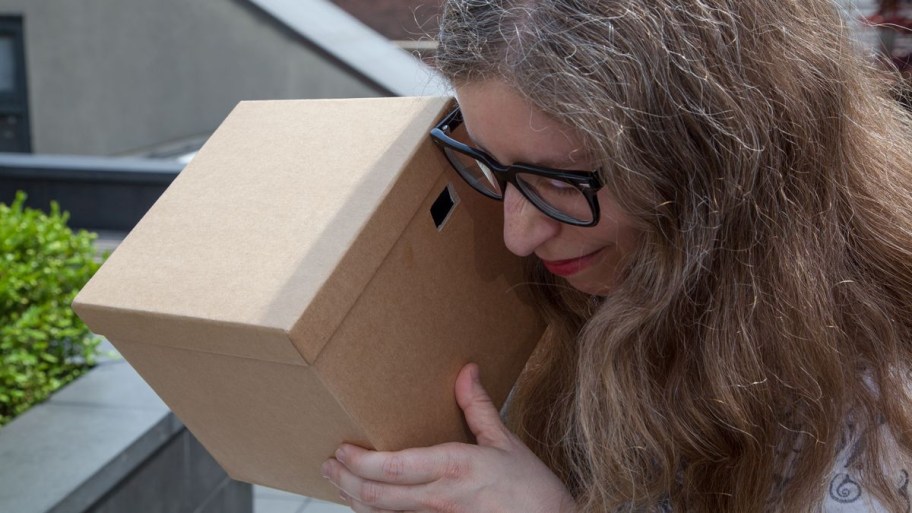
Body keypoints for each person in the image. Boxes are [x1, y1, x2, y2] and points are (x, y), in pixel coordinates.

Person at [320, 0, 912, 511]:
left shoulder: (880, 403)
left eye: (559, 179)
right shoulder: (592, 286)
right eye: (489, 165)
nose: (516, 237)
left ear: (721, 159)